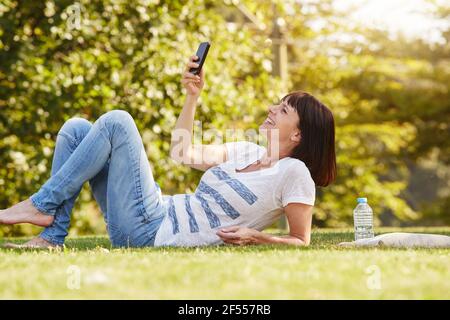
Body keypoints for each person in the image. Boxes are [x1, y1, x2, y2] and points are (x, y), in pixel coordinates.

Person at [0, 55, 336, 249]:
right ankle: (52, 236)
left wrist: (256, 235)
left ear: (298, 133)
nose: (272, 108)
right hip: (154, 215)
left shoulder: (294, 174)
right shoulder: (246, 150)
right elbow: (182, 153)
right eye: (277, 103)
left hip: (156, 232)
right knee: (76, 129)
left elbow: (300, 241)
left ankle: (41, 205)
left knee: (118, 121)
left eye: (283, 109)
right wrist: (192, 96)